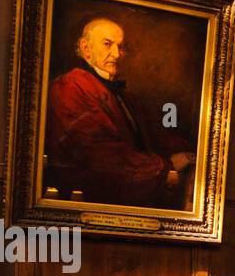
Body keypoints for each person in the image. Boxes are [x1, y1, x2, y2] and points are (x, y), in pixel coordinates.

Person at [44, 17, 196, 209]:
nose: (116, 54)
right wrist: (167, 165)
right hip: (84, 203)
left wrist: (190, 152)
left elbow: (153, 135)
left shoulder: (123, 95)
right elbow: (102, 156)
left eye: (121, 46)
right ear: (86, 48)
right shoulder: (69, 87)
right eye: (107, 44)